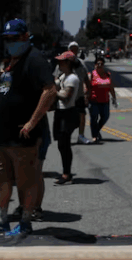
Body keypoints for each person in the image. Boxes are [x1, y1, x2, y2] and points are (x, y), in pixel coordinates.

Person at [0, 19, 56, 237]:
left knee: (26, 181)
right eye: (7, 39)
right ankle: (1, 220)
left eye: (14, 38)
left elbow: (50, 90)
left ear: (25, 36)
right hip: (3, 135)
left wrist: (32, 122)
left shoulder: (34, 59)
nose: (10, 42)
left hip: (23, 135)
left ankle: (25, 222)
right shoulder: (13, 60)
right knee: (2, 178)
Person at [52, 52, 81, 186]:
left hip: (68, 114)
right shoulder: (63, 76)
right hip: (60, 113)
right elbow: (54, 84)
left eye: (61, 62)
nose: (59, 64)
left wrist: (53, 91)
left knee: (65, 145)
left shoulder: (73, 78)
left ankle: (66, 174)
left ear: (68, 63)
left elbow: (66, 96)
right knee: (61, 145)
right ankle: (66, 172)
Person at [66, 42, 92, 145]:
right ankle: (66, 136)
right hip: (67, 96)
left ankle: (81, 136)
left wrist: (88, 92)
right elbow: (56, 78)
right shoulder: (63, 63)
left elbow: (86, 78)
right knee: (67, 117)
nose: (74, 51)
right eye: (72, 49)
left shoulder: (81, 63)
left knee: (82, 116)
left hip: (79, 95)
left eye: (76, 49)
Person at [88, 56, 116, 142]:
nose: (99, 65)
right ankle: (94, 135)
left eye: (101, 64)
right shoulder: (91, 75)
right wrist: (86, 97)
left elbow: (111, 87)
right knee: (94, 118)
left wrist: (114, 98)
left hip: (105, 101)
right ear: (95, 65)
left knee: (105, 117)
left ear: (103, 65)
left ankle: (96, 131)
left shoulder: (107, 75)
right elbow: (87, 87)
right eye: (97, 63)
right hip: (94, 101)